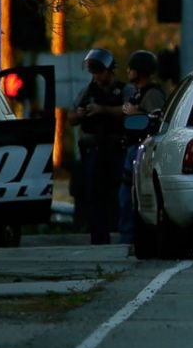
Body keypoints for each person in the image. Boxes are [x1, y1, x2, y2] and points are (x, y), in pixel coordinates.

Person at [68, 49, 127, 246]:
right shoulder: (87, 92)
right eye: (94, 73)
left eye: (100, 72)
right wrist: (81, 113)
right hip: (94, 150)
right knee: (94, 195)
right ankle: (99, 238)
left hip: (117, 148)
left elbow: (130, 110)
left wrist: (103, 110)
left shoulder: (123, 90)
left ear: (110, 71)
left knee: (119, 193)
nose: (97, 77)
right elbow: (71, 118)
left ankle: (123, 235)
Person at [117, 50, 167, 246]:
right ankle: (127, 239)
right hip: (131, 149)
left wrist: (135, 113)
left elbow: (157, 122)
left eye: (132, 68)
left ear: (140, 70)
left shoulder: (153, 94)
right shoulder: (138, 92)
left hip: (142, 151)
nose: (128, 71)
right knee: (125, 199)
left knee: (131, 199)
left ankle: (130, 241)